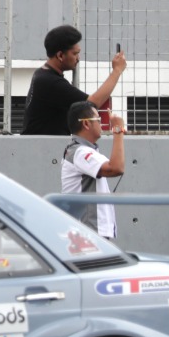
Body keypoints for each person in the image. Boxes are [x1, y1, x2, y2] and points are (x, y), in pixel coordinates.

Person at [21, 25, 126, 136]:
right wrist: (117, 70)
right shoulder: (50, 82)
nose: (78, 58)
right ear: (60, 55)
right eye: (75, 53)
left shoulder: (42, 74)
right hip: (41, 149)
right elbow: (92, 104)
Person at [62, 100, 125, 240]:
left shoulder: (84, 150)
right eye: (98, 119)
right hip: (87, 233)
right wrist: (118, 130)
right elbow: (116, 168)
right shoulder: (79, 152)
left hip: (89, 233)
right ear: (86, 123)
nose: (102, 123)